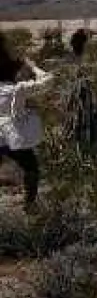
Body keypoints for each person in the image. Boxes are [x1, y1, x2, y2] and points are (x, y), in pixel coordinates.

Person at [0, 43, 52, 208]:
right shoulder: (17, 90)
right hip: (12, 136)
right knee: (31, 168)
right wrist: (34, 67)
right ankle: (29, 205)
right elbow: (48, 81)